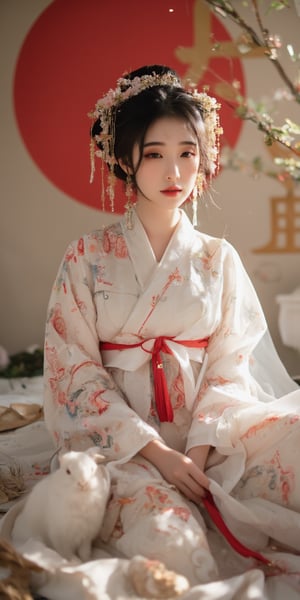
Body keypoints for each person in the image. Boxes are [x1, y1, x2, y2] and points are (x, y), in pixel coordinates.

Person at [44, 64, 300, 586]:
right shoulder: (87, 256)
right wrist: (158, 453)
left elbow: (233, 358)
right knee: (172, 536)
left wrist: (199, 451)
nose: (174, 173)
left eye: (187, 153)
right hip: (122, 440)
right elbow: (75, 371)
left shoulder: (216, 257)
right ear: (124, 159)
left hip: (211, 431)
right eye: (155, 154)